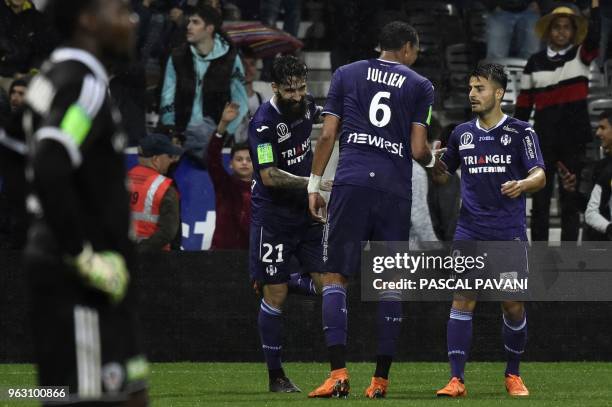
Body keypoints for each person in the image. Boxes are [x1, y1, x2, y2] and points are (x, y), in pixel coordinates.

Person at [307, 21, 444, 398]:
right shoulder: (420, 86)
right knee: (390, 284)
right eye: (415, 51)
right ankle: (380, 380)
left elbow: (328, 135)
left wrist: (314, 184)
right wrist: (435, 163)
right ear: (406, 48)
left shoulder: (346, 74)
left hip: (351, 183)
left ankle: (337, 375)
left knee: (335, 277)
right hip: (393, 190)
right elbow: (419, 149)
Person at [22, 0, 149, 404]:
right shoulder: (83, 84)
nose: (131, 21)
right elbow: (50, 159)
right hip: (81, 280)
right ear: (88, 21)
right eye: (119, 11)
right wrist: (81, 254)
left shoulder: (53, 77)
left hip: (98, 280)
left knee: (132, 392)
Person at [435, 63, 546, 398]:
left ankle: (513, 374)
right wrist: (431, 162)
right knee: (462, 299)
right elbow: (443, 177)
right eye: (470, 87)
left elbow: (540, 175)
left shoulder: (522, 132)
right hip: (469, 230)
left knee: (512, 304)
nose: (472, 94)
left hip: (507, 232)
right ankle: (457, 380)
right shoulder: (461, 134)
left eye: (480, 88)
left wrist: (523, 184)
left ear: (498, 93)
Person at [248, 55, 326, 393]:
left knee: (332, 285)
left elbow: (332, 119)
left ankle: (277, 279)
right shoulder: (263, 123)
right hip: (274, 217)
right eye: (290, 90)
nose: (297, 95)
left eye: (302, 88)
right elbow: (268, 176)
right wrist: (313, 182)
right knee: (275, 295)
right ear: (275, 87)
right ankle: (275, 375)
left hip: (306, 212)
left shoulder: (308, 106)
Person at [515, 0, 600, 241]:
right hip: (543, 143)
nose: (561, 31)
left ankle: (569, 261)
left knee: (569, 203)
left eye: (567, 27)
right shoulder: (534, 62)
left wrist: (594, 7)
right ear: (548, 31)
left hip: (574, 144)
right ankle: (541, 262)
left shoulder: (581, 56)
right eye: (556, 27)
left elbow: (594, 35)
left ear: (574, 32)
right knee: (540, 204)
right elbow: (523, 107)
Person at [160, 4, 247, 163]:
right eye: (188, 21)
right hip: (181, 137)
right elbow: (167, 97)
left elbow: (240, 102)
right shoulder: (177, 56)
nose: (188, 26)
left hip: (215, 138)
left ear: (209, 28)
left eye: (195, 22)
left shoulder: (230, 58)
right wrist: (172, 131)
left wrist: (223, 134)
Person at [560, 110, 612, 240]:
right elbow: (589, 207)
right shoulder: (600, 167)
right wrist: (572, 191)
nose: (598, 133)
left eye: (603, 128)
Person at [208, 102, 253, 250]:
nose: (244, 163)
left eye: (249, 159)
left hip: (252, 255)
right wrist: (223, 124)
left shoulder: (264, 189)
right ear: (230, 164)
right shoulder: (224, 185)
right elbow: (212, 157)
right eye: (239, 159)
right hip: (222, 254)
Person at [129, 133, 183, 252]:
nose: (171, 160)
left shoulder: (123, 179)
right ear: (156, 159)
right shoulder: (165, 188)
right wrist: (141, 251)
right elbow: (168, 232)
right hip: (155, 259)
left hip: (125, 255)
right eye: (168, 156)